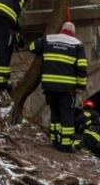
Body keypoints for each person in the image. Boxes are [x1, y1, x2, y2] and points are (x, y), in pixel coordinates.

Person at [27, 21, 88, 152]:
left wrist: (42, 41)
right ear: (73, 32)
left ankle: (55, 140)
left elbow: (31, 47)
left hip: (49, 86)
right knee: (67, 115)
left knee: (55, 112)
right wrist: (80, 87)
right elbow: (82, 68)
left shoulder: (49, 39)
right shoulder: (77, 44)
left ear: (61, 29)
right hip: (67, 89)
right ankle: (66, 144)